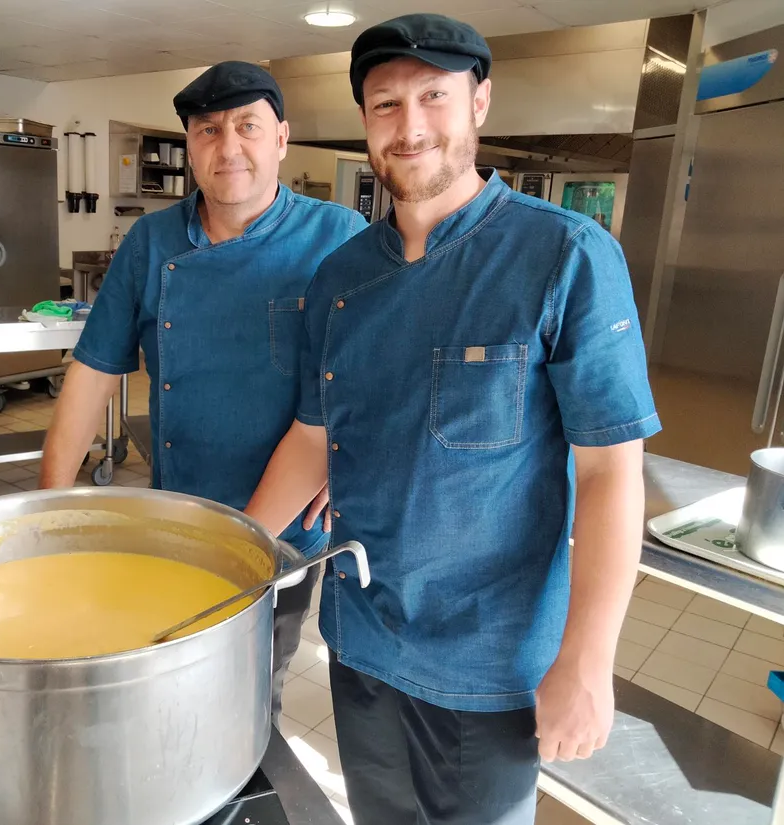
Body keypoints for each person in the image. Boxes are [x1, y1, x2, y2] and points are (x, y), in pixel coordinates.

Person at [244, 14, 660, 825]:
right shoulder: (340, 278)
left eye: (433, 96)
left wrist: (587, 659)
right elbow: (312, 439)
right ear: (366, 123)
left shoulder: (565, 256)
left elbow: (611, 470)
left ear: (479, 103)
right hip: (361, 645)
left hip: (490, 666)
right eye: (385, 105)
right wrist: (228, 564)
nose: (410, 127)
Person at [38, 62, 367, 720]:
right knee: (168, 679)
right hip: (177, 521)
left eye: (248, 126)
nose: (229, 146)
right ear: (190, 146)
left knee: (249, 697)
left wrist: (351, 451)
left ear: (281, 139)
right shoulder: (152, 241)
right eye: (208, 130)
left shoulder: (340, 239)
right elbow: (94, 369)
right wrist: (46, 515)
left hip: (281, 534)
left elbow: (383, 374)